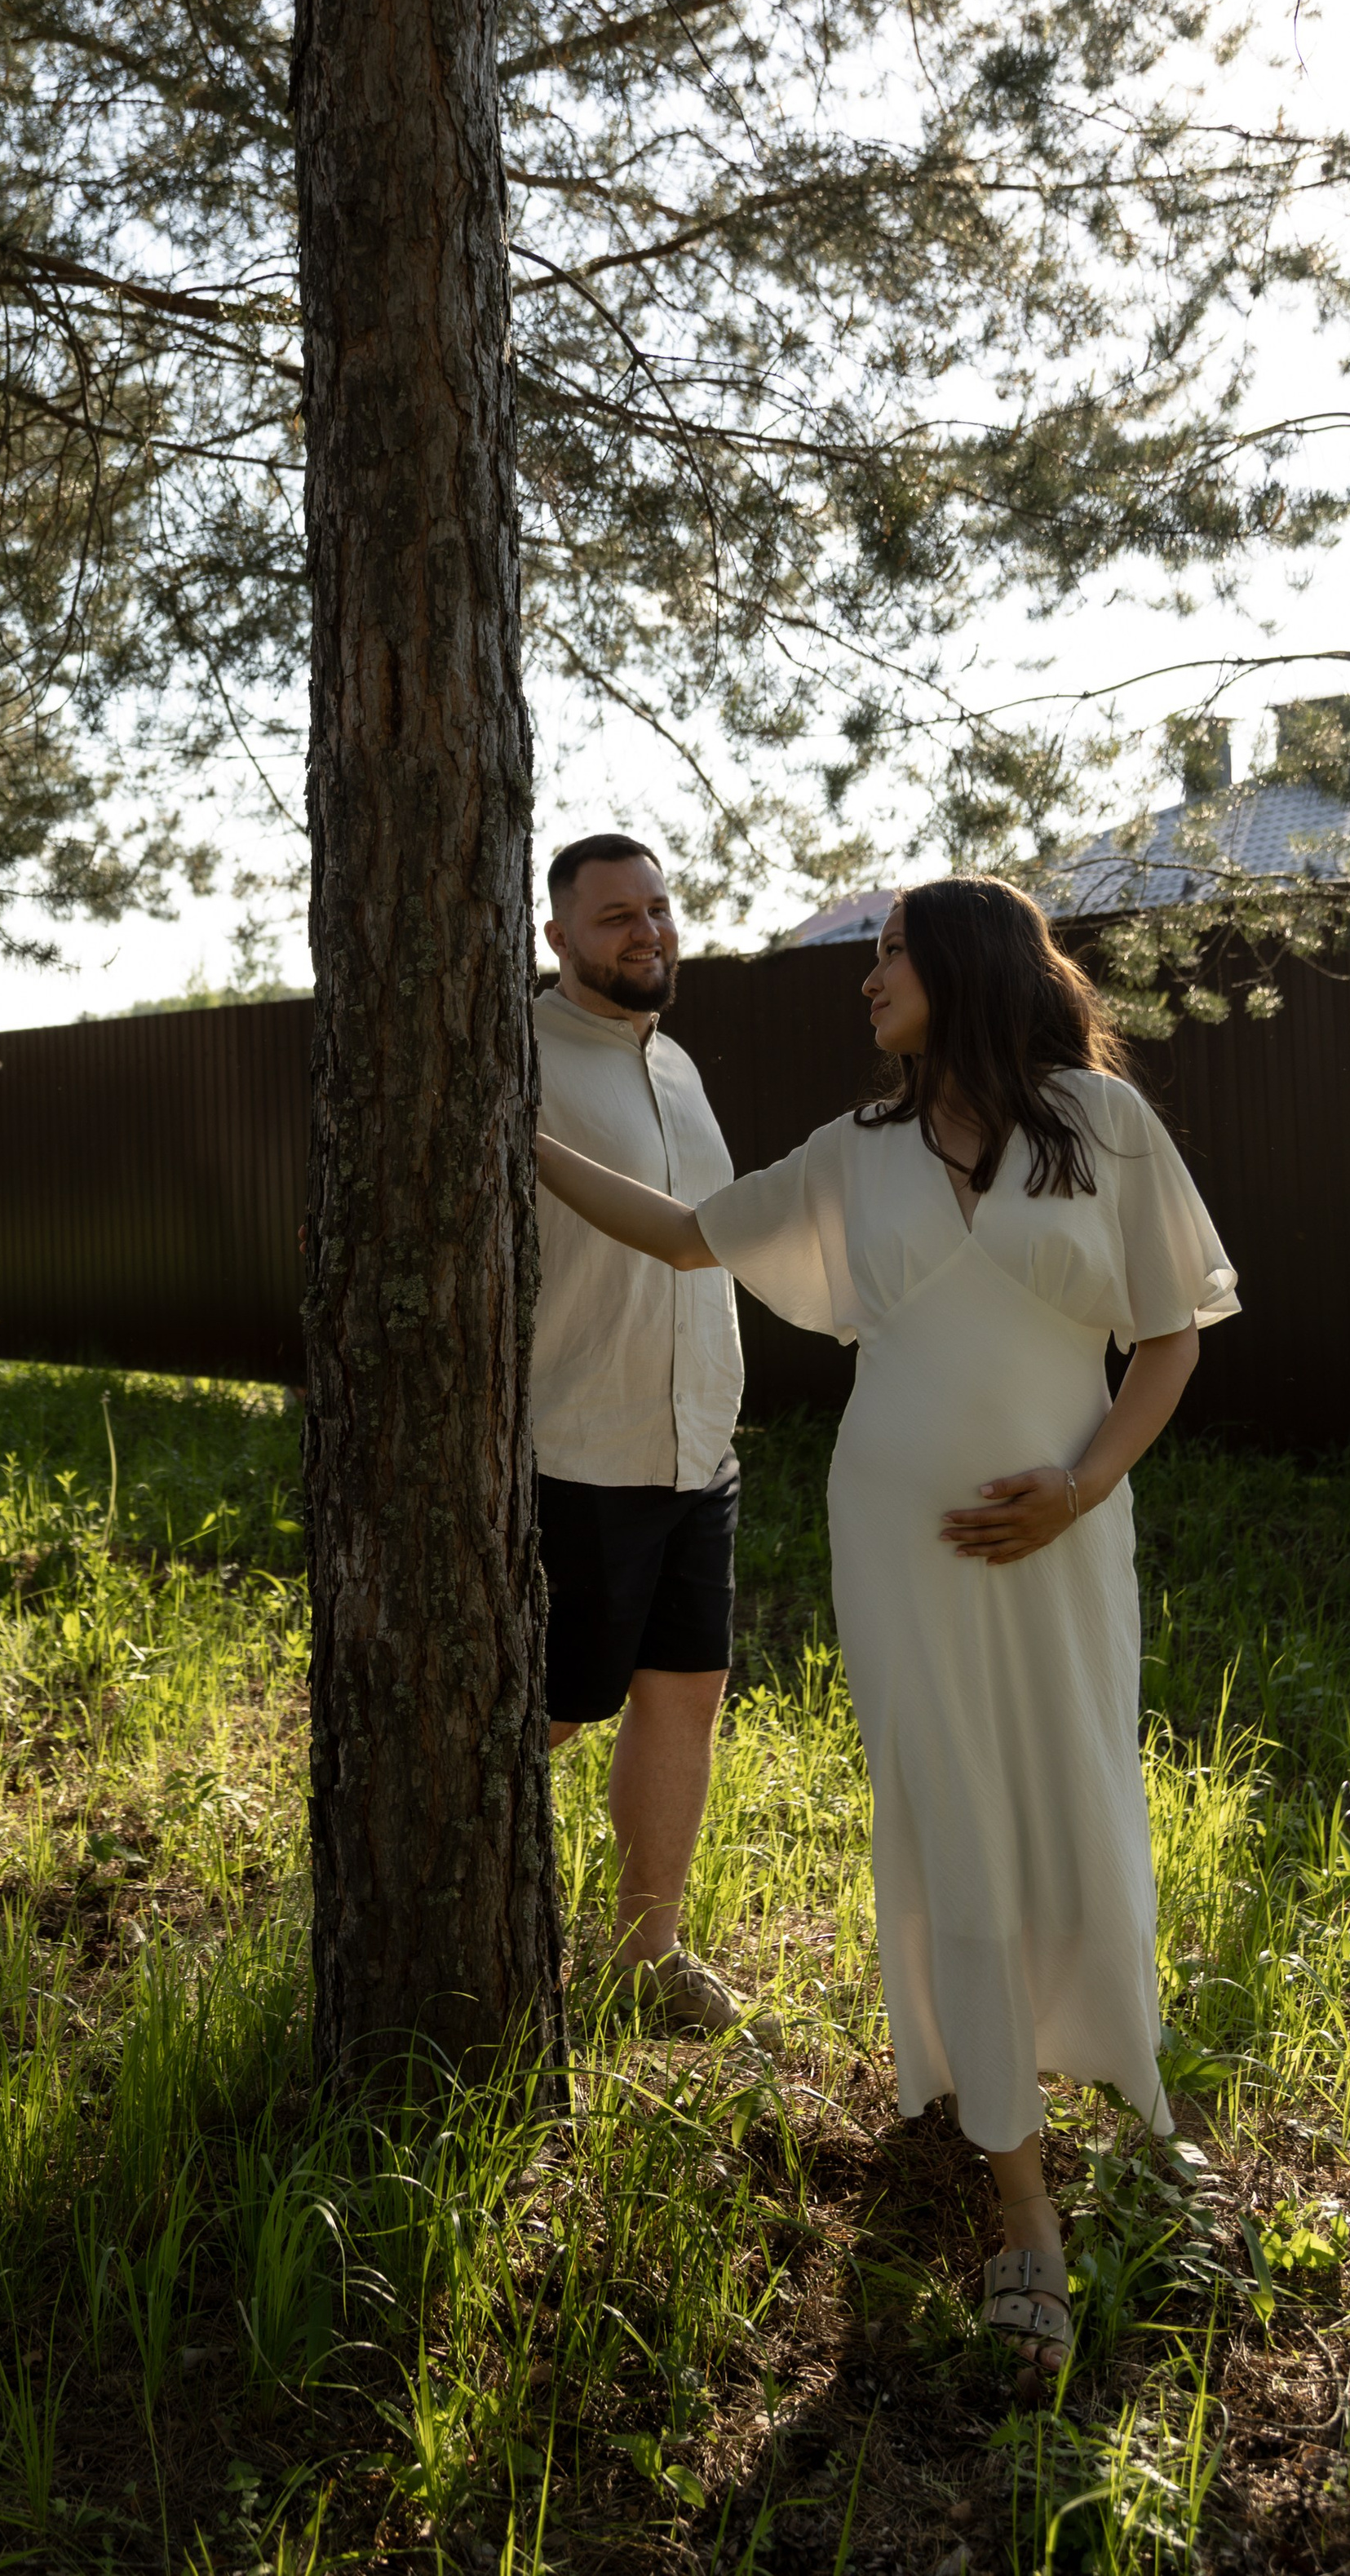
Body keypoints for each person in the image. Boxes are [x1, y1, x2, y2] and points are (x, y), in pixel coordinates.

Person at [535, 875, 1236, 2382]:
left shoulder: (1103, 1127)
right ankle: (1020, 2207)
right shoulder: (860, 1154)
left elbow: (1172, 1331)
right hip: (900, 1544)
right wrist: (511, 1137)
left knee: (1085, 1807)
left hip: (1066, 1539)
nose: (870, 981)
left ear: (969, 966)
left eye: (894, 956)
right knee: (957, 1826)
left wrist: (1080, 1481)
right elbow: (682, 1236)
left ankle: (1143, 2109)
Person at [533, 833, 750, 2033]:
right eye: (615, 914)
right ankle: (450, 1929)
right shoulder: (514, 1054)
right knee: (555, 1707)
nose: (646, 930)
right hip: (579, 1440)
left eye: (659, 908)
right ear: (557, 933)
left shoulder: (679, 1069)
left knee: (685, 1694)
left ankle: (642, 1957)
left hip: (697, 1445)